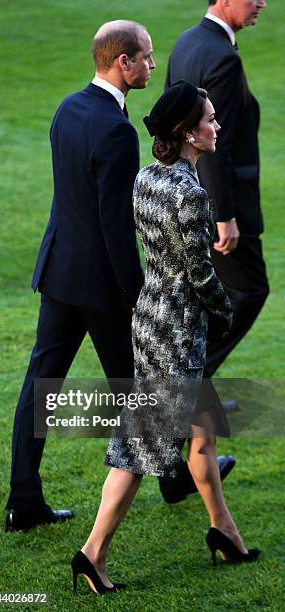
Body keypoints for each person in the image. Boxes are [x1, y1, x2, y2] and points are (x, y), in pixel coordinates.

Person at [71, 82, 260, 596]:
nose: (216, 127)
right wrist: (224, 310)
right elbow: (200, 273)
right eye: (210, 120)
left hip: (151, 314)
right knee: (141, 449)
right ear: (187, 133)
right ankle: (92, 554)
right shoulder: (191, 194)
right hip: (178, 328)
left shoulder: (146, 179)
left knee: (202, 427)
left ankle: (225, 531)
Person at [5, 20, 156, 532]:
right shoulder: (117, 130)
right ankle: (180, 480)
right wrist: (134, 292)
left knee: (39, 386)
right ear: (124, 62)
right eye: (147, 58)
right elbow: (116, 224)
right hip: (99, 286)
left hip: (59, 274)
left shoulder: (68, 108)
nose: (153, 66)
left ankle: (22, 501)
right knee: (135, 388)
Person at [165, 0, 269, 378]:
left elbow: (172, 125)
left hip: (186, 193)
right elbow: (215, 144)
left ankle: (193, 391)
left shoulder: (187, 42)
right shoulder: (224, 59)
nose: (262, 3)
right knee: (248, 290)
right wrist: (224, 216)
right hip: (220, 206)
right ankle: (188, 384)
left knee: (211, 295)